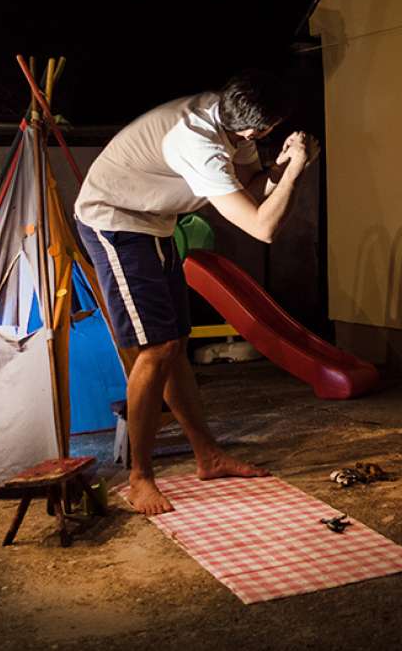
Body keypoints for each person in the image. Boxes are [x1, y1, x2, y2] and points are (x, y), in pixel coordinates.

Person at [74, 70, 319, 515]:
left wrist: (279, 169)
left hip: (155, 223)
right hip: (114, 221)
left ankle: (208, 456)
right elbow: (262, 227)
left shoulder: (225, 114)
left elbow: (249, 191)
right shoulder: (199, 145)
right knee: (157, 348)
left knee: (176, 345)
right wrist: (297, 170)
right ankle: (139, 478)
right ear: (256, 129)